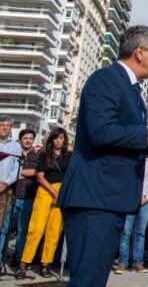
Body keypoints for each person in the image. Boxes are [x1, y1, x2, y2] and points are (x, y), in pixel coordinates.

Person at [57, 25, 148, 287]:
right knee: (87, 280)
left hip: (111, 199)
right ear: (140, 52)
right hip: (94, 199)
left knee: (95, 280)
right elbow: (101, 131)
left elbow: (124, 135)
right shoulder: (106, 79)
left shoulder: (134, 91)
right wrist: (147, 134)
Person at [17, 127, 71, 279]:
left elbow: (70, 176)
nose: (58, 141)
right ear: (51, 139)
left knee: (54, 231)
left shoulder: (69, 156)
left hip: (61, 192)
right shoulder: (44, 155)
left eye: (61, 138)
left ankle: (45, 264)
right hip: (45, 190)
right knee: (36, 228)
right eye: (56, 138)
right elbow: (40, 177)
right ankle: (24, 263)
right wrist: (54, 193)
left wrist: (61, 194)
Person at [115, 155, 148, 274]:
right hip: (130, 201)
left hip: (144, 203)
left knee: (140, 233)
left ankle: (137, 262)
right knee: (125, 233)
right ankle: (122, 262)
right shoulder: (131, 162)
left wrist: (147, 198)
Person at [0, 128, 36, 267]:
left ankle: (18, 258)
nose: (28, 141)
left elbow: (36, 172)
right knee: (4, 228)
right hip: (12, 194)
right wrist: (23, 173)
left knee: (22, 229)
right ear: (20, 139)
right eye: (25, 138)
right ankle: (1, 257)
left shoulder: (37, 155)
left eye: (30, 138)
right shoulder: (14, 152)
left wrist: (19, 173)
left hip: (28, 197)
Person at [0, 116, 22, 252]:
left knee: (1, 224)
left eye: (7, 125)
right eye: (1, 124)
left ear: (10, 128)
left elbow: (17, 169)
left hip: (4, 189)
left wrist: (5, 183)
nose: (4, 127)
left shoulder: (15, 146)